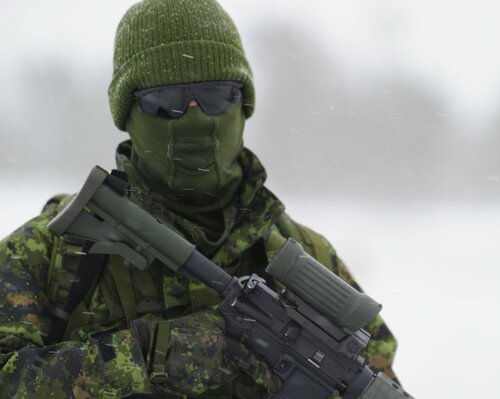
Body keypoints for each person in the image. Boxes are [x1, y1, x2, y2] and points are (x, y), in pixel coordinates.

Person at [0, 1, 402, 398]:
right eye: (165, 101)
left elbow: (372, 377)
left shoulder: (310, 259)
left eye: (216, 96)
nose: (194, 119)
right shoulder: (50, 253)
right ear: (128, 114)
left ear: (243, 105)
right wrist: (154, 355)